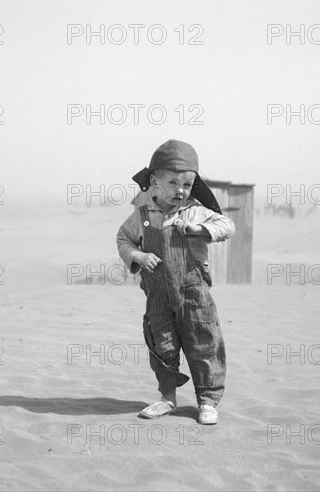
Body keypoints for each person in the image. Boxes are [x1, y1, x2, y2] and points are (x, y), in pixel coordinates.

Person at [116, 139, 235, 425]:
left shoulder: (195, 211)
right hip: (157, 296)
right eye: (172, 183)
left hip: (194, 295)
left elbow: (227, 226)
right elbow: (123, 239)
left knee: (204, 345)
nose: (180, 191)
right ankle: (167, 398)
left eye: (187, 185)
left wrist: (199, 229)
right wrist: (138, 255)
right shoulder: (142, 216)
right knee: (162, 347)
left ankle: (207, 401)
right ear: (154, 181)